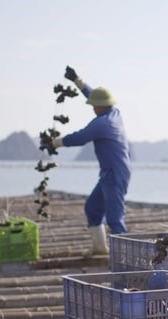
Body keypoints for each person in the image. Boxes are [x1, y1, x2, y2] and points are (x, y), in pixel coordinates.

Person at [45, 66, 131, 255]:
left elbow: (80, 137)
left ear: (99, 107)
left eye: (93, 106)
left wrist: (56, 143)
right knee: (92, 208)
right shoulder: (114, 113)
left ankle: (125, 257)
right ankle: (100, 248)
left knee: (115, 219)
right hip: (110, 173)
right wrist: (77, 80)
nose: (92, 107)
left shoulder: (102, 123)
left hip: (115, 174)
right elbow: (95, 95)